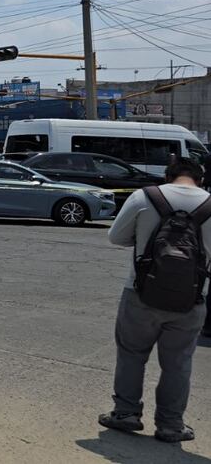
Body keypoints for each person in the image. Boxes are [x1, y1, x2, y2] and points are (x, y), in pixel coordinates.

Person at [100, 157, 211, 443]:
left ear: (168, 176)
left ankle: (125, 414)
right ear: (200, 179)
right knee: (178, 363)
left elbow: (116, 237)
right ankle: (171, 426)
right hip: (192, 298)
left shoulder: (144, 197)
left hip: (140, 293)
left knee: (131, 354)